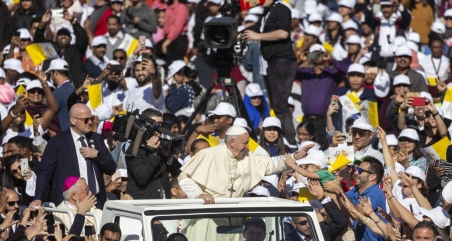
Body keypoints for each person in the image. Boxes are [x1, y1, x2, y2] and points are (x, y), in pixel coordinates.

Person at [179, 125, 313, 201]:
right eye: (245, 143)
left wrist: (296, 156)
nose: (248, 146)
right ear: (232, 143)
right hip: (209, 212)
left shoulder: (247, 156)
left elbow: (271, 164)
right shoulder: (208, 154)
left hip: (235, 214)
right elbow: (184, 177)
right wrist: (198, 194)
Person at [32, 104, 117, 208]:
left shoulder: (96, 139)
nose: (90, 122)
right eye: (86, 120)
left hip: (96, 201)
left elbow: (111, 168)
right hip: (70, 204)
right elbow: (45, 172)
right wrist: (38, 198)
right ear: (73, 120)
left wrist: (97, 155)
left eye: (91, 118)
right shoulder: (58, 142)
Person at [243, 0, 297, 144]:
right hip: (273, 63)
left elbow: (283, 33)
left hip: (283, 62)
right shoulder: (267, 12)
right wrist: (234, 35)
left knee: (280, 106)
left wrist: (258, 37)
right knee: (277, 105)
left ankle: (290, 144)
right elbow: (253, 29)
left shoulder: (281, 8)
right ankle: (285, 142)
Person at [125, 109, 183, 200]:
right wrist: (153, 153)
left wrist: (169, 157)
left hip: (163, 203)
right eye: (156, 125)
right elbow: (142, 178)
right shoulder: (134, 149)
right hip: (143, 203)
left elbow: (180, 173)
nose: (160, 129)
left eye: (161, 125)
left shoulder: (160, 146)